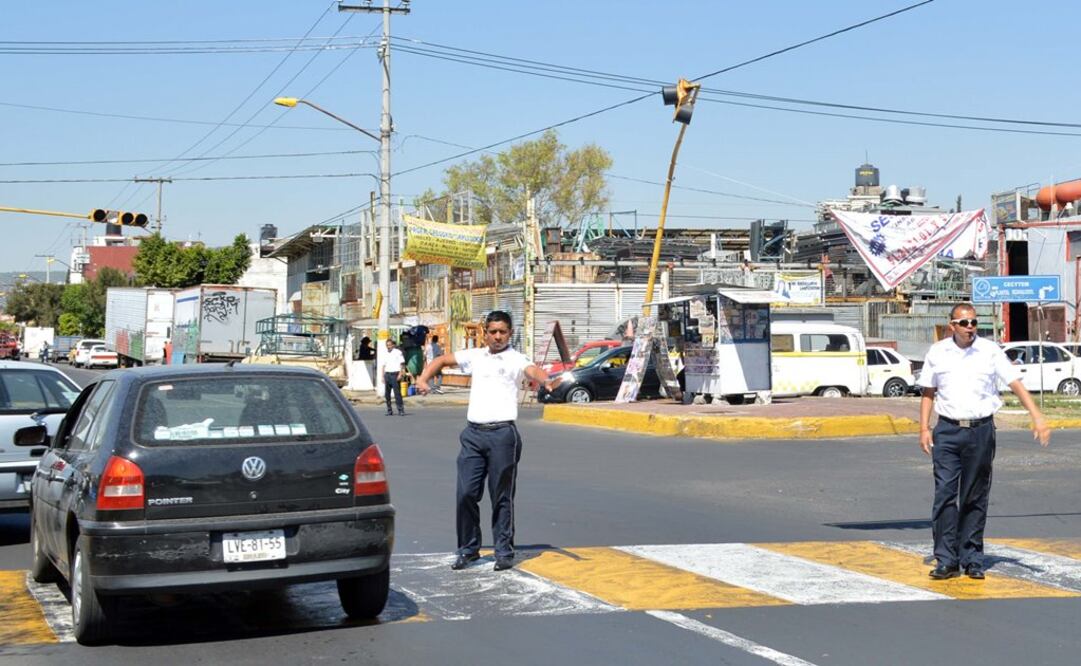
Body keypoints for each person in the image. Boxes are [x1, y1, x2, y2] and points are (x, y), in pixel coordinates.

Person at [416, 311, 560, 572]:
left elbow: (532, 370)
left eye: (502, 332)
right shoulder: (474, 356)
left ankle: (503, 551)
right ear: (485, 333)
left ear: (510, 333)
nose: (497, 336)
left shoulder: (516, 358)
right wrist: (423, 378)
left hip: (503, 435)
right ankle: (468, 550)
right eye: (492, 331)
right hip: (473, 435)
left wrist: (547, 381)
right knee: (466, 494)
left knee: (501, 495)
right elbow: (441, 359)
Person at [917, 303, 1051, 580]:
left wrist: (1037, 416)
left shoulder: (990, 351)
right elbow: (928, 392)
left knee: (974, 495)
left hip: (981, 431)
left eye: (974, 323)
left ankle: (972, 557)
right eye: (964, 323)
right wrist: (924, 429)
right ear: (951, 325)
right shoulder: (938, 352)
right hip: (947, 431)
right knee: (944, 494)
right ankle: (946, 559)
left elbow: (1015, 383)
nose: (970, 328)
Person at [379, 338, 406, 416]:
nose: (388, 346)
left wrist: (400, 374)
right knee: (387, 394)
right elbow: (383, 366)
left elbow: (402, 364)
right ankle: (389, 410)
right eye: (387, 345)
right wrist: (382, 376)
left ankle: (400, 410)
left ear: (393, 345)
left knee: (397, 393)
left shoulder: (398, 352)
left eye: (390, 345)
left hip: (395, 374)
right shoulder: (385, 353)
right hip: (387, 374)